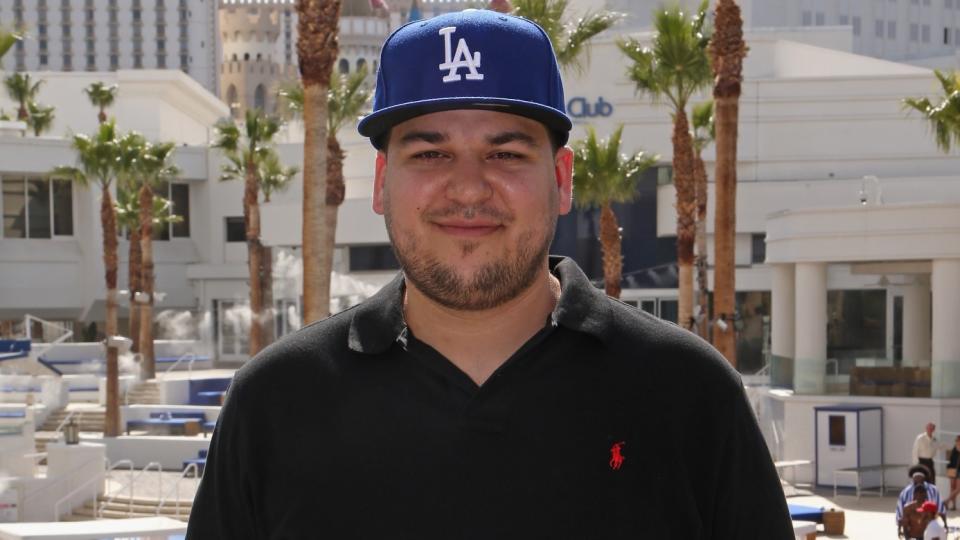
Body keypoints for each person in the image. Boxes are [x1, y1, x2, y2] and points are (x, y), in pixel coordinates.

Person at [186, 9, 793, 538]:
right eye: (430, 154)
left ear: (560, 180)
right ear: (380, 183)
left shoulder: (688, 394)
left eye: (505, 153)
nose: (469, 188)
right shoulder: (277, 402)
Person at [899, 465, 948, 538]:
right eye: (916, 482)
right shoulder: (905, 492)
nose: (918, 484)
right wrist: (900, 529)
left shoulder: (934, 490)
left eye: (920, 481)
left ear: (924, 480)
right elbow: (900, 514)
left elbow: (941, 509)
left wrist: (945, 525)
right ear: (912, 480)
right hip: (912, 531)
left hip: (928, 529)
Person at [947, 435, 960, 510]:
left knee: (958, 488)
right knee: (952, 487)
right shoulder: (954, 449)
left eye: (958, 440)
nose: (957, 441)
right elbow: (951, 459)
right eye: (956, 440)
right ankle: (953, 505)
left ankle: (947, 500)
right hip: (952, 469)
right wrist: (949, 468)